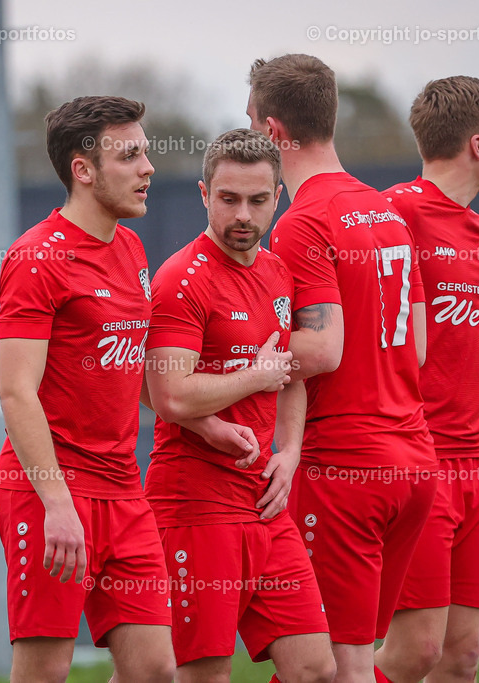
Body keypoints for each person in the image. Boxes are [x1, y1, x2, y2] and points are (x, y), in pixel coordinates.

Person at [247, 53, 438, 683]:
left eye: (251, 123)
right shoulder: (386, 213)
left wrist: (231, 362)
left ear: (274, 131)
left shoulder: (302, 222)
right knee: (323, 664)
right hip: (413, 460)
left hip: (347, 468)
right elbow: (416, 351)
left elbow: (324, 349)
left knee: (340, 669)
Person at [0, 96, 175, 683]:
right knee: (46, 669)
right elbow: (16, 394)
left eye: (145, 152)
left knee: (153, 670)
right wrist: (56, 504)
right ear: (83, 170)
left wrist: (204, 417)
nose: (148, 167)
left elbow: (132, 370)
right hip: (49, 490)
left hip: (124, 489)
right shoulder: (35, 258)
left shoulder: (131, 248)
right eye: (130, 156)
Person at [144, 128, 335, 683]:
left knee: (316, 670)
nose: (243, 214)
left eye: (257, 199)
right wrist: (256, 374)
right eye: (228, 199)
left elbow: (290, 374)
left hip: (265, 504)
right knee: (200, 673)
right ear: (204, 195)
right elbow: (170, 392)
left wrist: (292, 449)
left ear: (279, 196)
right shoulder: (182, 280)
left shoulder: (279, 272)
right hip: (195, 504)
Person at [374, 76, 479, 683]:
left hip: (474, 466)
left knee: (461, 657)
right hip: (415, 461)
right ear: (477, 143)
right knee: (413, 652)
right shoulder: (392, 214)